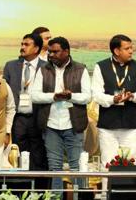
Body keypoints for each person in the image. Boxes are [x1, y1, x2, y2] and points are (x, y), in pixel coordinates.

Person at [30, 36, 91, 198]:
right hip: (51, 126)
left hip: (74, 124)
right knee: (54, 167)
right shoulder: (44, 70)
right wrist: (53, 97)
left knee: (76, 166)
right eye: (50, 52)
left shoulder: (80, 69)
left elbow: (87, 97)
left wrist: (70, 96)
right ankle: (56, 197)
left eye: (55, 52)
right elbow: (34, 96)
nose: (51, 55)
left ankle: (79, 197)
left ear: (66, 51)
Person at [92, 34, 136, 167]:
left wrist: (132, 96)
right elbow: (96, 95)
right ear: (116, 51)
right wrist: (113, 99)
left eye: (131, 48)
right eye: (127, 48)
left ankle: (129, 189)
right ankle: (107, 188)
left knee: (131, 165)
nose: (131, 51)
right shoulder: (101, 66)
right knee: (108, 165)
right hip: (108, 126)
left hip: (131, 125)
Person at [3, 33, 49, 172]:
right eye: (22, 44)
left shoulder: (47, 67)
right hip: (18, 118)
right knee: (18, 156)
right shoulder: (11, 66)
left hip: (38, 117)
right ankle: (22, 187)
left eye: (26, 44)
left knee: (39, 156)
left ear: (36, 49)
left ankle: (40, 190)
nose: (22, 47)